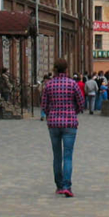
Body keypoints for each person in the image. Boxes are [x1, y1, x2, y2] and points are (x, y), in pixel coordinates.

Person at [41, 57, 85, 197]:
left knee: (57, 156)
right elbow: (81, 103)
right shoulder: (72, 84)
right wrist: (73, 111)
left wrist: (51, 114)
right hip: (70, 123)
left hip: (54, 124)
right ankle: (67, 186)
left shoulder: (49, 85)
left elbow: (44, 105)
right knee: (68, 156)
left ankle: (59, 186)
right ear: (66, 69)